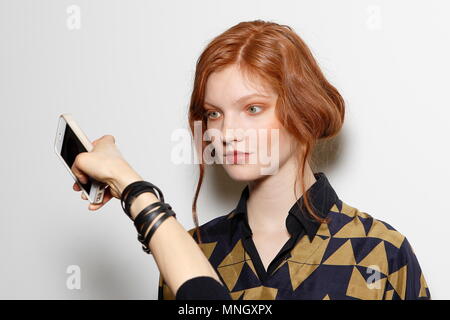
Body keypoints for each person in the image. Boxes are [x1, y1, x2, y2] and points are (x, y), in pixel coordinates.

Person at [73, 19, 431, 300]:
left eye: (253, 108)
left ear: (303, 109)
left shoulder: (378, 251)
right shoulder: (191, 249)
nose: (227, 132)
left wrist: (134, 191)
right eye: (214, 114)